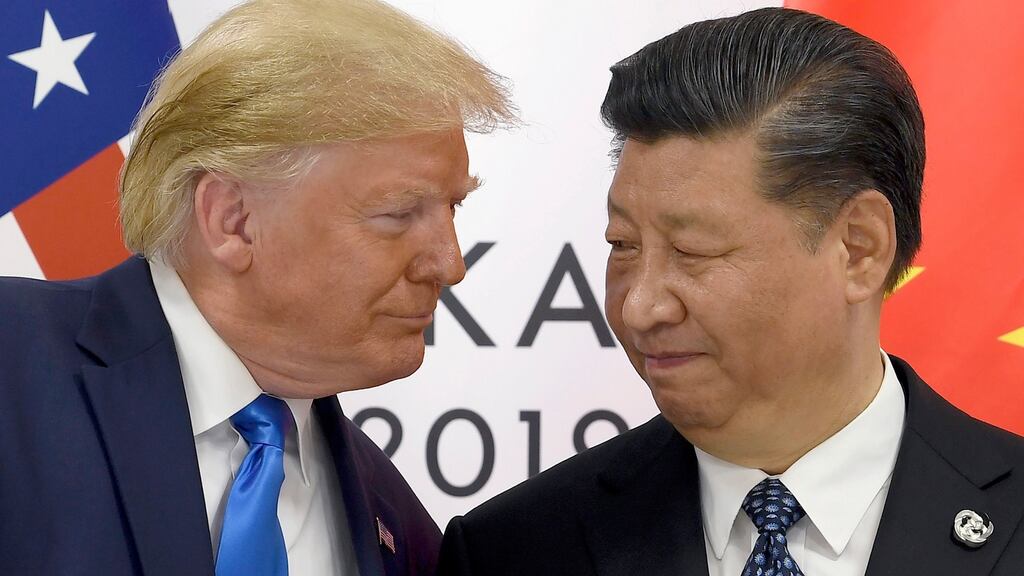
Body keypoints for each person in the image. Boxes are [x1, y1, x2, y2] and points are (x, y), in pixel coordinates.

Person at [437, 8, 1024, 576]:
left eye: (694, 252)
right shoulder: (513, 548)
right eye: (623, 245)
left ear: (859, 248)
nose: (640, 307)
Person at [0, 1, 513, 575]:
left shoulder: (397, 522)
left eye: (453, 206)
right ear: (233, 220)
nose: (450, 263)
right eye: (399, 213)